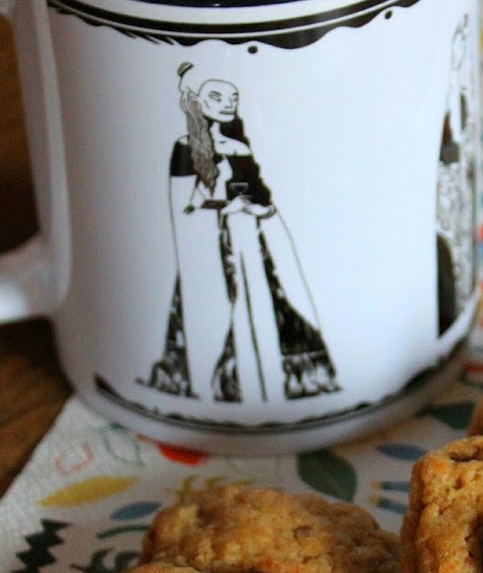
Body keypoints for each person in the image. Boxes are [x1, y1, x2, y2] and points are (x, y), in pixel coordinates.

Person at [145, 65, 339, 404]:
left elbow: (262, 197)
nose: (226, 102)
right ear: (197, 101)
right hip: (211, 249)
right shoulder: (186, 148)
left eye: (231, 97)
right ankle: (218, 387)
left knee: (266, 309)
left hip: (249, 243)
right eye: (216, 96)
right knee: (218, 315)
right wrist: (218, 200)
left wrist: (252, 206)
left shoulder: (238, 148)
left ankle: (271, 383)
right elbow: (183, 209)